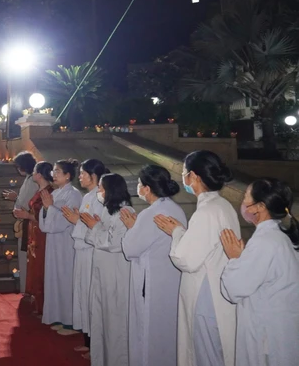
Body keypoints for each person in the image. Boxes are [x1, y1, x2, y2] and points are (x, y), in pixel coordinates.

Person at [154, 150, 240, 366]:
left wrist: (176, 232)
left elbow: (186, 259)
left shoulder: (207, 212)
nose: (183, 178)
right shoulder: (222, 205)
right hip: (218, 290)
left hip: (206, 294)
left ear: (194, 176)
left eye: (184, 173)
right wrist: (182, 231)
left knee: (206, 355)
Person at [220, 178, 299, 366]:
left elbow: (234, 289)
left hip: (267, 336)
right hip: (280, 331)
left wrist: (233, 258)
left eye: (246, 196)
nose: (243, 201)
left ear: (259, 207)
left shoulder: (266, 241)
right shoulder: (280, 235)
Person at [121, 165, 186, 366]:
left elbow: (130, 249)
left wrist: (131, 228)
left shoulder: (152, 213)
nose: (138, 187)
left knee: (149, 333)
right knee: (168, 331)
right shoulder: (176, 209)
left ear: (147, 188)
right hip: (171, 279)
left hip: (151, 283)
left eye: (140, 184)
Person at [80, 174, 133, 365]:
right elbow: (92, 237)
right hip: (102, 271)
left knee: (115, 320)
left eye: (101, 189)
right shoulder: (107, 210)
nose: (99, 193)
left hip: (115, 273)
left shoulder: (125, 212)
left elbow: (115, 243)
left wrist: (95, 227)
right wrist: (96, 227)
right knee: (101, 317)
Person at [61, 159, 108, 353]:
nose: (79, 177)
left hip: (91, 252)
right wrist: (77, 221)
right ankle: (88, 340)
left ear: (93, 176)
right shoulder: (88, 196)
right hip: (82, 251)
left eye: (82, 173)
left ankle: (94, 345)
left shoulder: (99, 197)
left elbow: (96, 226)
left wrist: (76, 221)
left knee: (91, 297)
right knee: (83, 294)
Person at [40, 158, 82, 331]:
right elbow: (47, 221)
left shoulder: (73, 194)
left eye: (58, 171)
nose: (53, 174)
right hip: (54, 243)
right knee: (55, 278)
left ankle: (70, 320)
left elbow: (64, 220)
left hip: (66, 243)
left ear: (67, 175)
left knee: (66, 279)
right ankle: (57, 315)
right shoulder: (56, 193)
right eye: (54, 171)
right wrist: (45, 208)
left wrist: (50, 208)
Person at [12, 161, 54, 314]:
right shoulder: (40, 191)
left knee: (40, 266)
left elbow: (48, 217)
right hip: (33, 231)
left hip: (41, 232)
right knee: (33, 264)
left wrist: (27, 215)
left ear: (40, 175)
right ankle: (36, 300)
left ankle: (43, 305)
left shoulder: (48, 192)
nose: (33, 174)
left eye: (36, 171)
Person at [5, 151, 38, 294]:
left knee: (27, 258)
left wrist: (15, 198)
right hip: (24, 221)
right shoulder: (28, 179)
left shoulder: (32, 181)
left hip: (29, 222)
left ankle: (28, 290)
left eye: (19, 166)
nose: (18, 169)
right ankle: (26, 289)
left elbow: (27, 203)